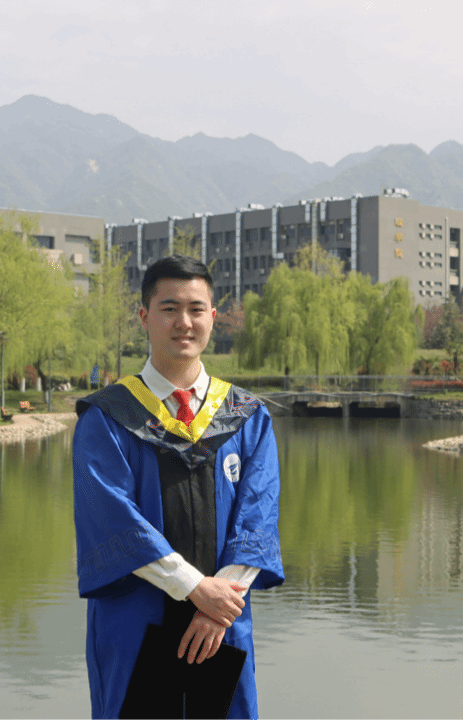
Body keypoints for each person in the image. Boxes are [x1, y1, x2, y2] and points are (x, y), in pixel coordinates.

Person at [73, 254, 284, 720]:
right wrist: (194, 588)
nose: (183, 322)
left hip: (221, 626)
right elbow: (112, 520)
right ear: (144, 317)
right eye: (169, 309)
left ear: (213, 317)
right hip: (137, 623)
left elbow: (258, 517)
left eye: (195, 309)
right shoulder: (108, 418)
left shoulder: (246, 418)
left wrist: (216, 603)